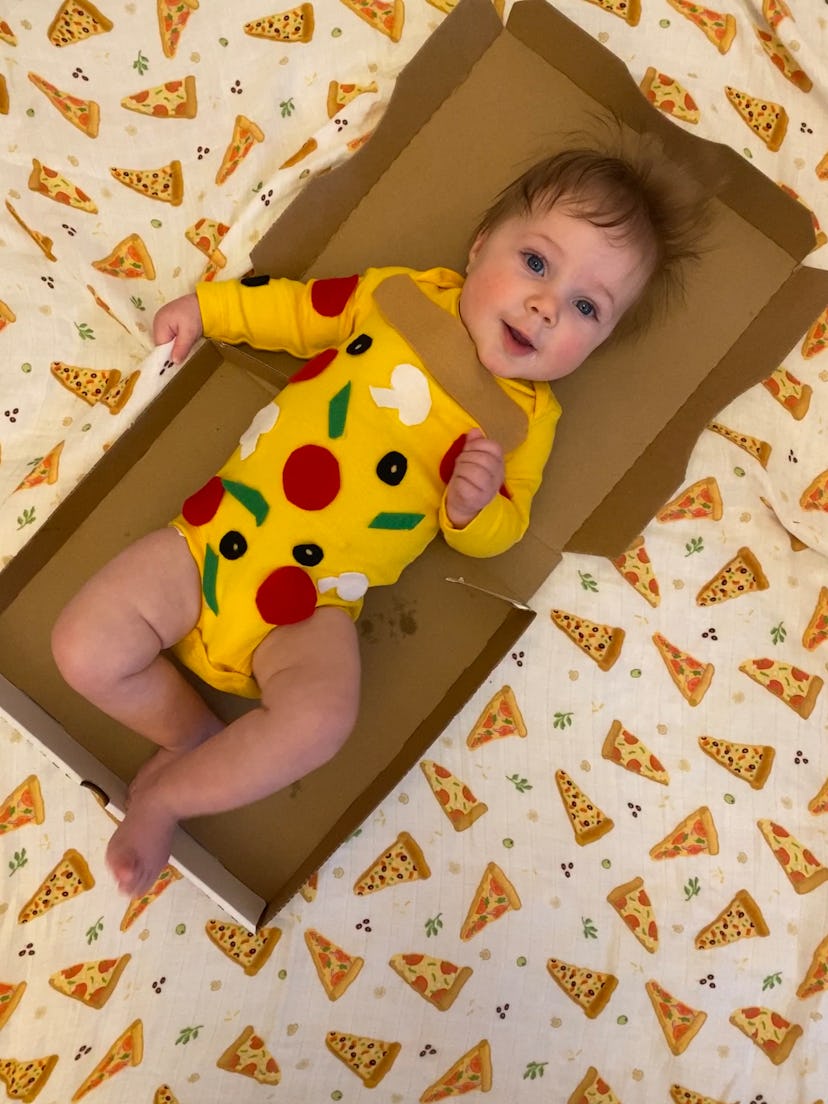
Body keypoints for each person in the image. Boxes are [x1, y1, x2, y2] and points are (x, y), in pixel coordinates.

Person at [51, 138, 710, 898]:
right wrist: (211, 310)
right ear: (478, 246)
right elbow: (298, 312)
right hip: (208, 542)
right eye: (536, 263)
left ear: (596, 343)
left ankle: (167, 796)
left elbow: (506, 524)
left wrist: (474, 506)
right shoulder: (399, 296)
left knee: (322, 720)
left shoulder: (524, 424)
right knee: (82, 646)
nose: (547, 305)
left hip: (312, 604)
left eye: (587, 308)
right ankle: (190, 738)